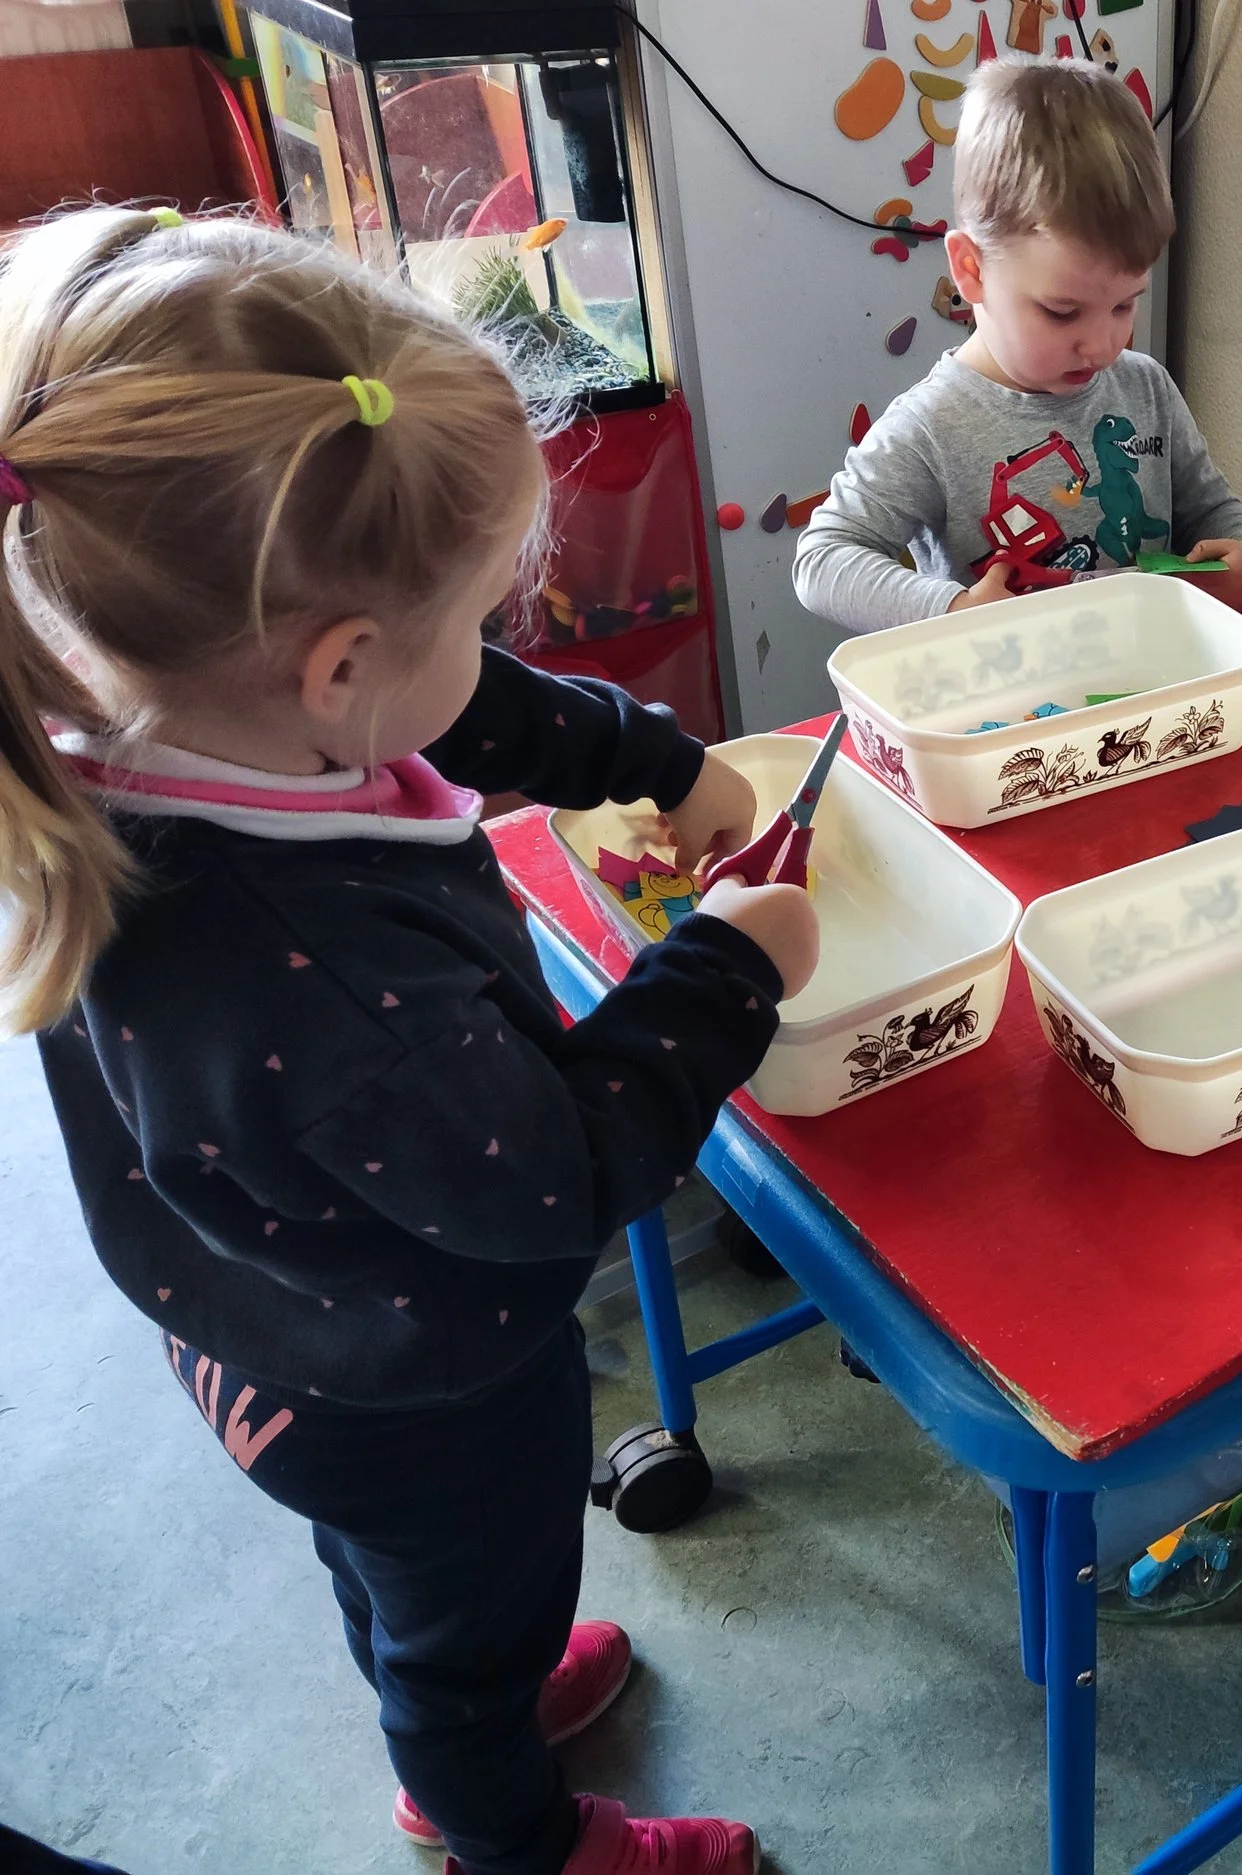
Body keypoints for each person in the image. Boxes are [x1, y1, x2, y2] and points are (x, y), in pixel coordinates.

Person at [0, 207, 822, 1875]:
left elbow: (469, 701)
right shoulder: (314, 984)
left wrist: (658, 760)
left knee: (397, 1582)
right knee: (466, 1626)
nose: (491, 646)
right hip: (413, 1378)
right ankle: (498, 1821)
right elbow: (556, 1176)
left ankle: (451, 1701)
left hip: (268, 1316)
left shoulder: (168, 708)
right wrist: (731, 968)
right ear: (344, 665)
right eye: (474, 614)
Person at [794, 56, 1242, 631]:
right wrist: (953, 609)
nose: (1102, 346)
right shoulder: (930, 428)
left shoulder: (1145, 387)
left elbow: (1216, 513)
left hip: (1154, 675)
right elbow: (822, 561)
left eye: (1125, 304)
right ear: (971, 270)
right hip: (1007, 686)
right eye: (1062, 312)